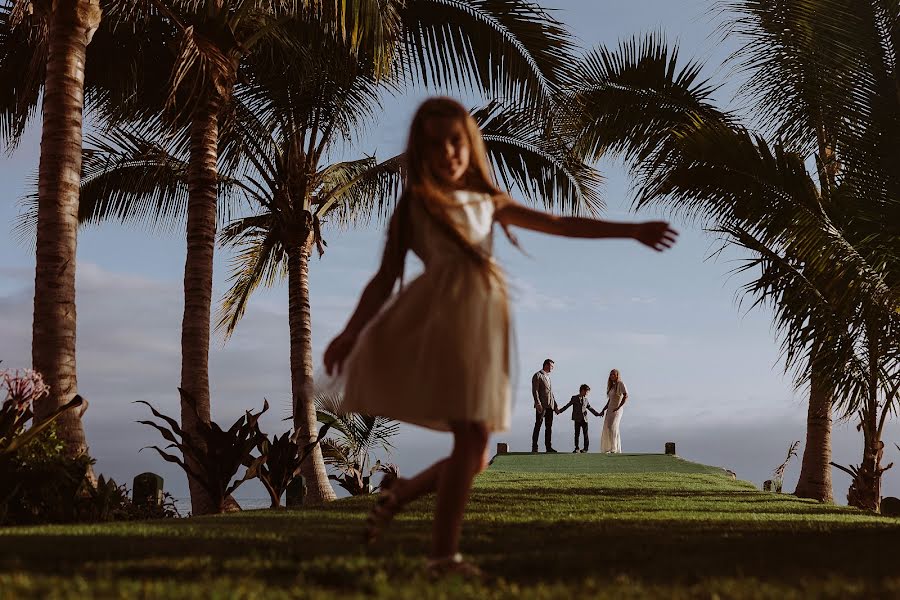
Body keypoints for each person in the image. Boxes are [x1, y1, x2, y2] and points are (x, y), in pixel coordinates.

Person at [322, 97, 677, 578]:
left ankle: (402, 495)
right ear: (418, 151)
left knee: (478, 454)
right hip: (442, 324)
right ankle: (442, 558)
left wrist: (629, 229)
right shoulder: (415, 205)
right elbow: (384, 279)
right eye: (434, 144)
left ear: (470, 145)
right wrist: (350, 331)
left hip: (486, 327)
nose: (447, 151)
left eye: (456, 141)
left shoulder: (489, 202)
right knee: (472, 445)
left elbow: (557, 223)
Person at [556, 384, 601, 453]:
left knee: (585, 434)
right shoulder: (574, 398)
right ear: (582, 391)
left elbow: (590, 408)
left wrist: (597, 414)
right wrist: (560, 411)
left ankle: (585, 448)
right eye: (587, 392)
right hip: (577, 419)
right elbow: (568, 405)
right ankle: (577, 448)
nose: (587, 393)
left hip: (585, 419)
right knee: (577, 434)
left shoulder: (586, 399)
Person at [531, 359, 558, 453]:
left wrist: (555, 406)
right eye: (551, 366)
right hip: (541, 406)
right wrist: (538, 403)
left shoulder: (548, 377)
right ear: (546, 365)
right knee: (538, 425)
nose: (552, 368)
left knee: (549, 427)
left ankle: (548, 447)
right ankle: (534, 447)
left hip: (550, 406)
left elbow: (551, 393)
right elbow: (535, 391)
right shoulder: (537, 375)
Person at [599, 369, 629, 453]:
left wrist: (619, 406)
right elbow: (610, 400)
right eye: (610, 374)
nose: (611, 376)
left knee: (613, 426)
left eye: (613, 374)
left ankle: (614, 448)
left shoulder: (620, 384)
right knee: (608, 427)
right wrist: (603, 409)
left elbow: (626, 395)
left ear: (617, 375)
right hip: (610, 409)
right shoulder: (612, 386)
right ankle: (610, 447)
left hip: (617, 409)